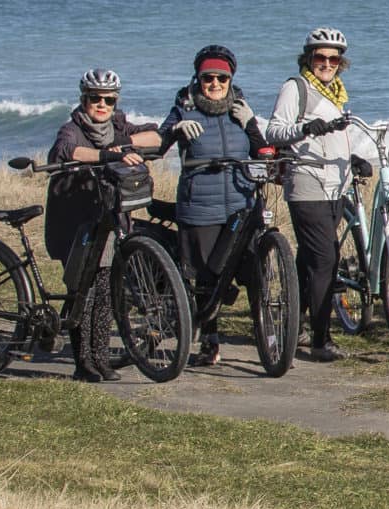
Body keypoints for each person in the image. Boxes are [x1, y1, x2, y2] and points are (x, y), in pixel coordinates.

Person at [158, 45, 279, 368]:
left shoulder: (239, 108)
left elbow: (264, 150)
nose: (214, 84)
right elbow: (158, 145)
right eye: (208, 78)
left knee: (255, 276)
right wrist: (175, 129)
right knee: (206, 278)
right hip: (200, 206)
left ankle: (269, 340)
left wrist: (252, 123)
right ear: (198, 79)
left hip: (241, 203)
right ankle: (209, 342)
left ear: (230, 79)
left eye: (221, 78)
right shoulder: (184, 107)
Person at [43, 68, 163, 381]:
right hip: (76, 223)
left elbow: (156, 135)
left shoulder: (118, 124)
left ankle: (101, 359)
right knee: (83, 291)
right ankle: (83, 363)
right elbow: (68, 151)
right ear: (83, 99)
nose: (101, 105)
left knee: (108, 290)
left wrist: (123, 144)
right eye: (94, 99)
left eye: (107, 100)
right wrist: (105, 156)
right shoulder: (72, 128)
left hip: (108, 221)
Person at [270, 27, 375, 364]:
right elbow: (274, 130)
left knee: (309, 261)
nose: (327, 63)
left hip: (336, 185)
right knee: (326, 261)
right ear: (308, 58)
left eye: (334, 58)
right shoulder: (296, 88)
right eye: (320, 57)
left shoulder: (335, 93)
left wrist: (352, 159)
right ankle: (320, 340)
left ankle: (293, 325)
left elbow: (332, 138)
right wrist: (304, 129)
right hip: (308, 184)